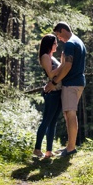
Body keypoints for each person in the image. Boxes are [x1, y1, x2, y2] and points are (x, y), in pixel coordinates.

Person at [44, 22, 86, 157]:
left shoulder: (69, 44)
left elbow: (67, 66)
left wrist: (54, 82)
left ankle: (71, 148)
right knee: (68, 114)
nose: (59, 38)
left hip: (71, 83)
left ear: (63, 30)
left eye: (58, 34)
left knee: (70, 114)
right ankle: (69, 146)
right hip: (78, 82)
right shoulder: (78, 41)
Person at [34, 34, 63, 158]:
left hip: (58, 91)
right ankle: (37, 149)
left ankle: (49, 151)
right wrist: (63, 64)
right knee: (46, 121)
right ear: (50, 44)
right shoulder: (45, 56)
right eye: (55, 43)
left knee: (53, 122)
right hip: (52, 93)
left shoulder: (51, 56)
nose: (57, 45)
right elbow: (51, 74)